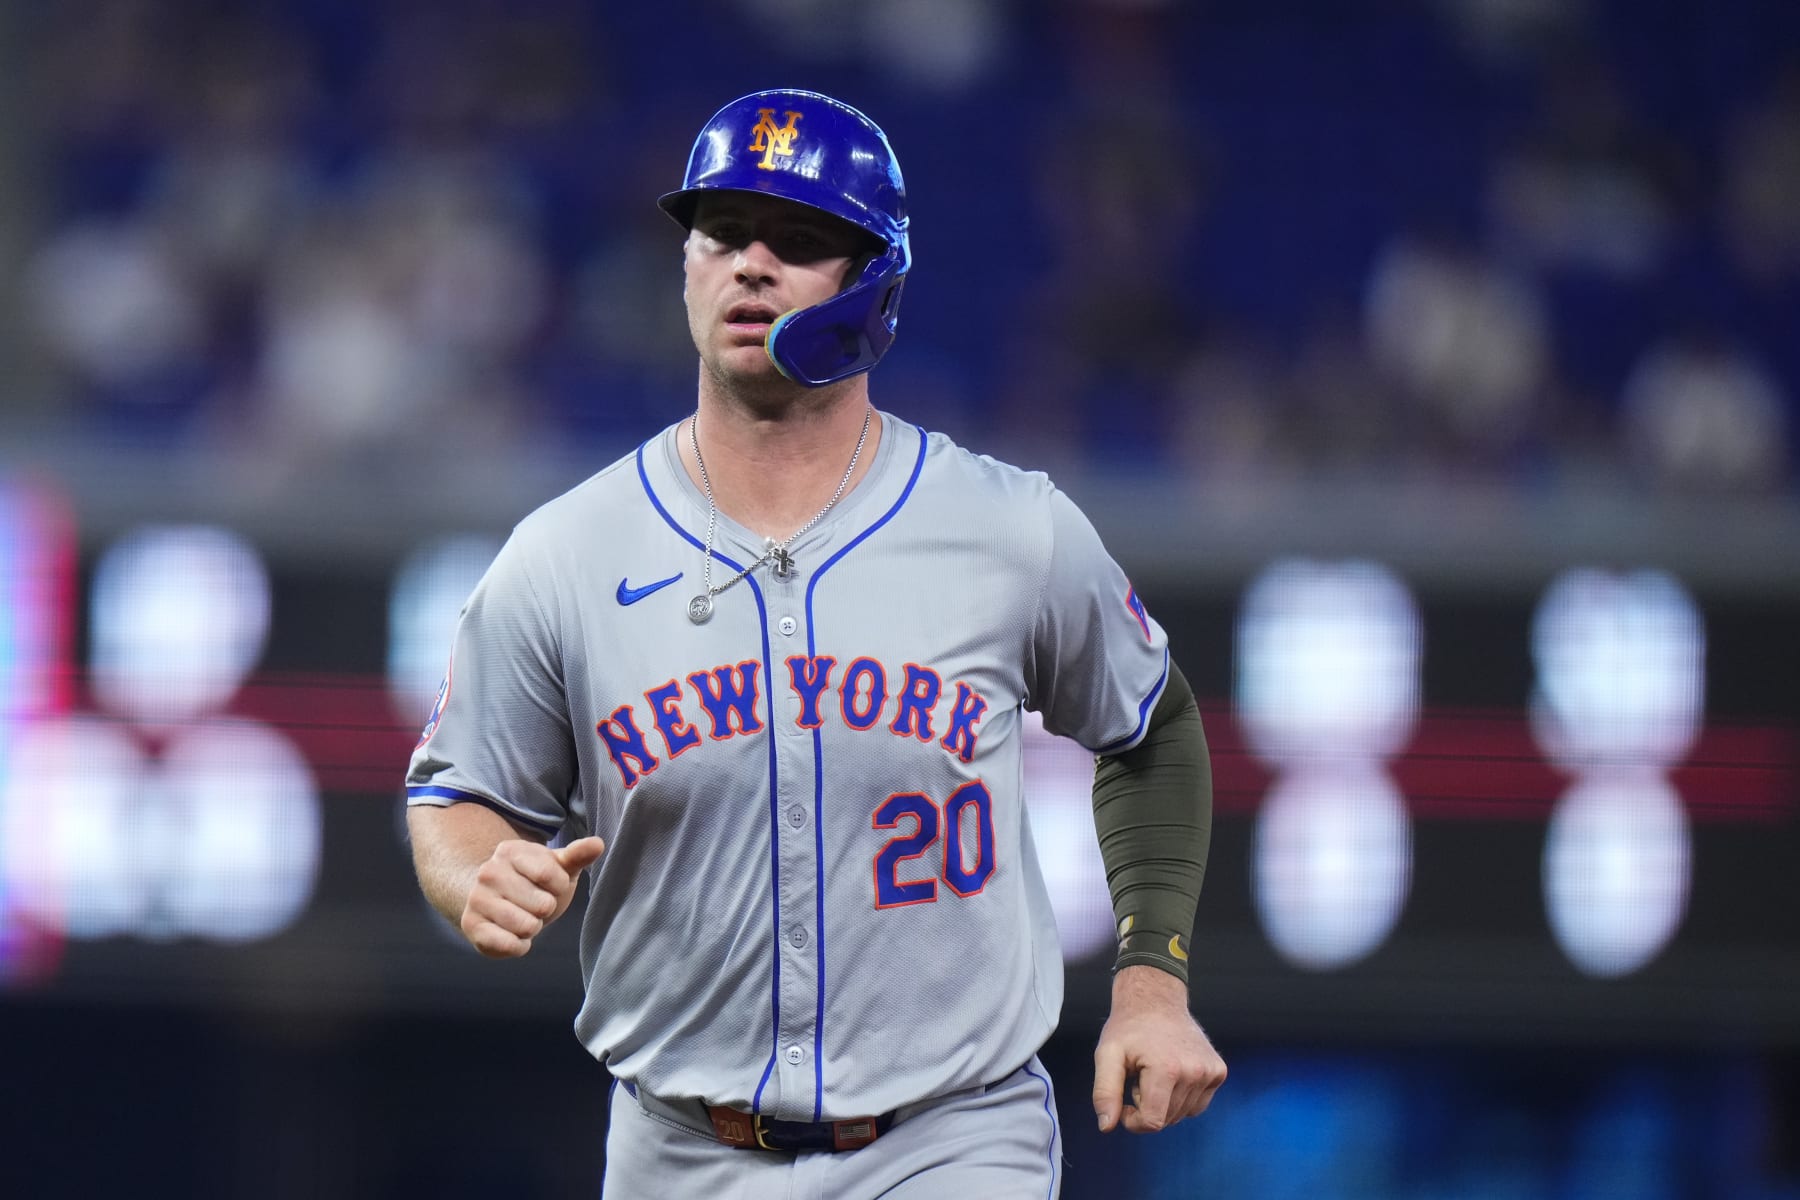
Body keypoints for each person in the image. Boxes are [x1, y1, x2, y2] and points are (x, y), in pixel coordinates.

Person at [405, 88, 1225, 1198]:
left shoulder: (1006, 527)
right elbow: (454, 794)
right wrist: (471, 877)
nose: (750, 265)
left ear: (875, 281)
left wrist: (1151, 985)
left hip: (952, 1134)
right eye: (722, 233)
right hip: (680, 1148)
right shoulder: (565, 554)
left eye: (797, 242)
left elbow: (1152, 726)